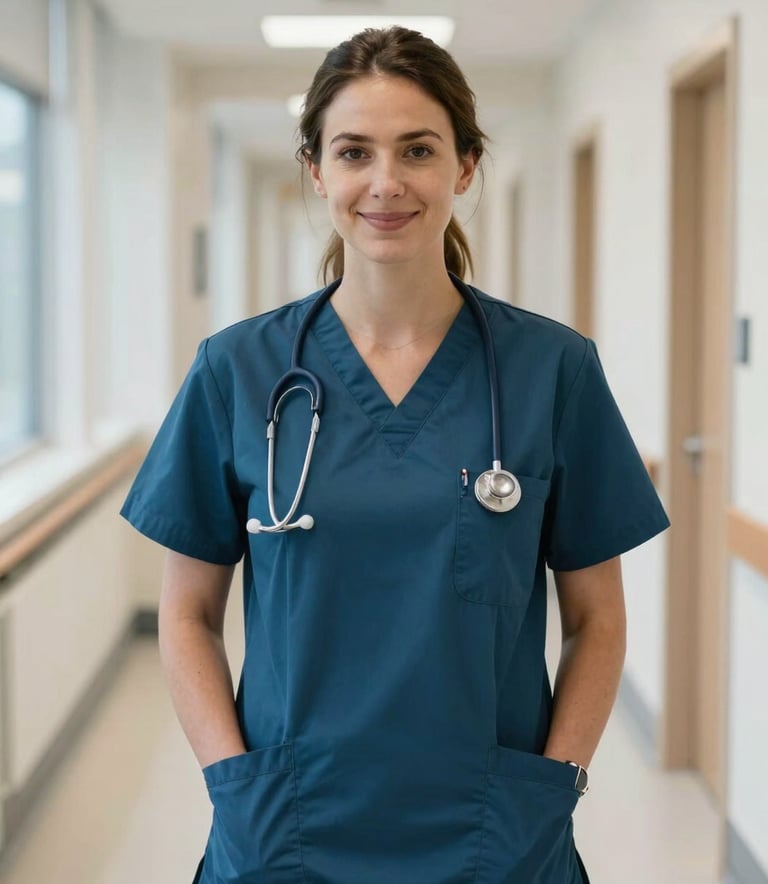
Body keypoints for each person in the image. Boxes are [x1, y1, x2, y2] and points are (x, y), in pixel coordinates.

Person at [121, 25, 669, 884]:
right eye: (353, 152)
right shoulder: (237, 371)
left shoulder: (552, 371)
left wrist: (550, 790)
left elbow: (597, 619)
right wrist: (235, 787)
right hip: (285, 828)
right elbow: (187, 614)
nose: (386, 183)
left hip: (494, 834)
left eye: (417, 149)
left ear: (464, 166)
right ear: (317, 171)